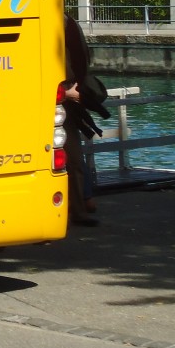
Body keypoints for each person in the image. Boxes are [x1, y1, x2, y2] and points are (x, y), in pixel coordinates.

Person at [63, 12, 103, 226]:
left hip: (66, 98)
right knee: (73, 159)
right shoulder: (65, 22)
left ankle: (78, 209)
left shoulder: (65, 22)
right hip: (64, 96)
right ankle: (78, 208)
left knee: (74, 159)